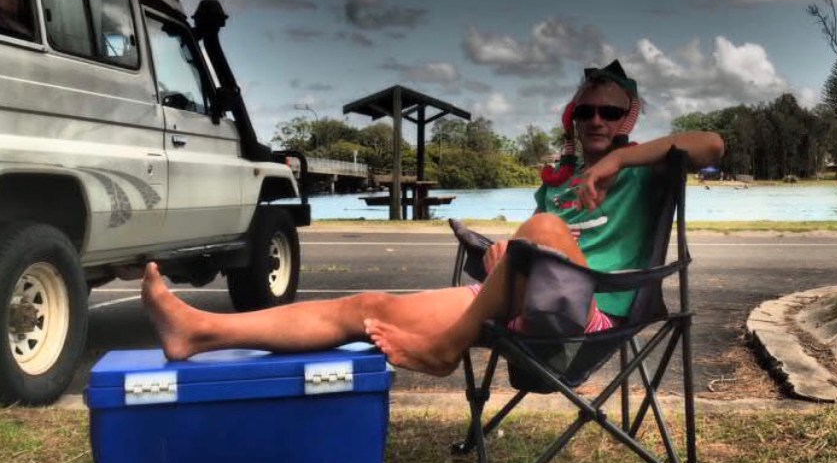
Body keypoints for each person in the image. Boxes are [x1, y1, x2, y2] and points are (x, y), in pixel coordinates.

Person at [142, 61, 724, 376]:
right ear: (574, 117)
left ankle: (446, 349)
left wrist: (620, 160)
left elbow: (713, 145)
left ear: (628, 119)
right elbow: (539, 247)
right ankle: (201, 332)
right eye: (587, 111)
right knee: (365, 307)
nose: (597, 120)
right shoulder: (558, 185)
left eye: (610, 113)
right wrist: (504, 256)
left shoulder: (646, 170)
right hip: (525, 301)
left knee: (541, 233)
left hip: (592, 312)